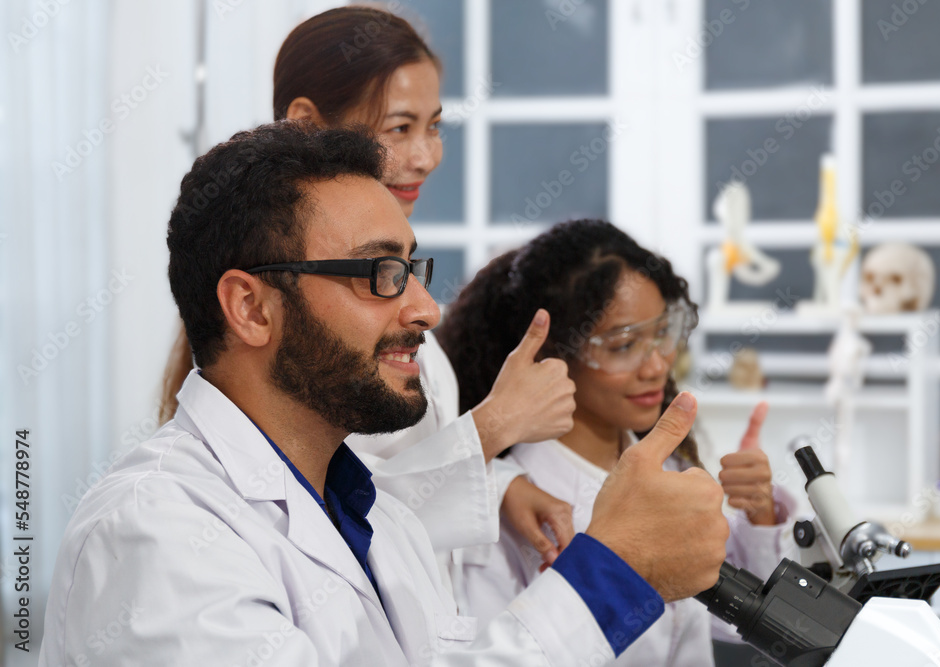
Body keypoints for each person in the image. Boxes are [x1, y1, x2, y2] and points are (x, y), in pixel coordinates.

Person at [39, 123, 731, 665]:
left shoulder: (378, 520)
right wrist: (610, 576)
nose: (426, 309)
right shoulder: (154, 531)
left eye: (412, 268)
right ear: (251, 308)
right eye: (380, 273)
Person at [158, 6, 576, 562]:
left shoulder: (377, 311)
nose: (425, 157)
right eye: (399, 128)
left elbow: (368, 486)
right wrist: (495, 426)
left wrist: (499, 484)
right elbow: (339, 513)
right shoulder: (305, 345)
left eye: (434, 127)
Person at [437, 219, 798, 665]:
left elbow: (728, 618)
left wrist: (759, 514)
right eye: (623, 345)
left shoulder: (665, 466)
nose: (656, 366)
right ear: (554, 354)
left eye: (662, 332)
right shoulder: (511, 511)